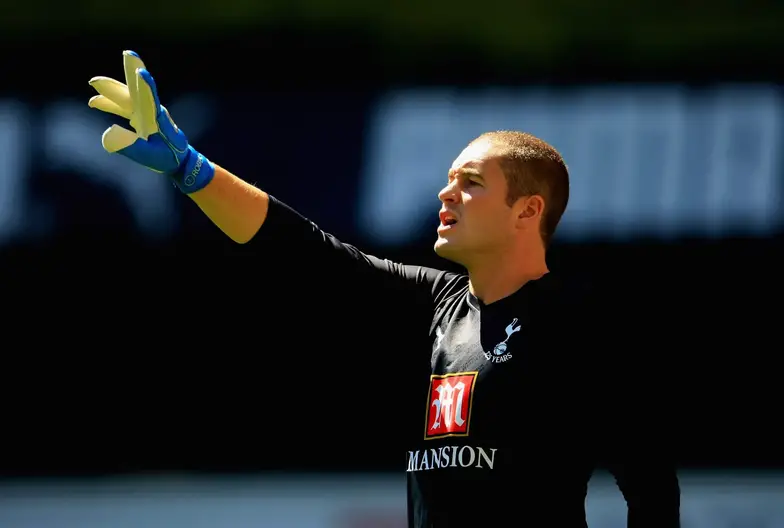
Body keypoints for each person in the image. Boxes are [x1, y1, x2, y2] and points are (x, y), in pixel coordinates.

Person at [88, 50, 681, 527]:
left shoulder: (581, 326)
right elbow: (309, 254)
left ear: (528, 211)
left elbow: (652, 491)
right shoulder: (440, 307)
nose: (446, 194)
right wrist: (192, 169)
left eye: (470, 182)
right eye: (448, 180)